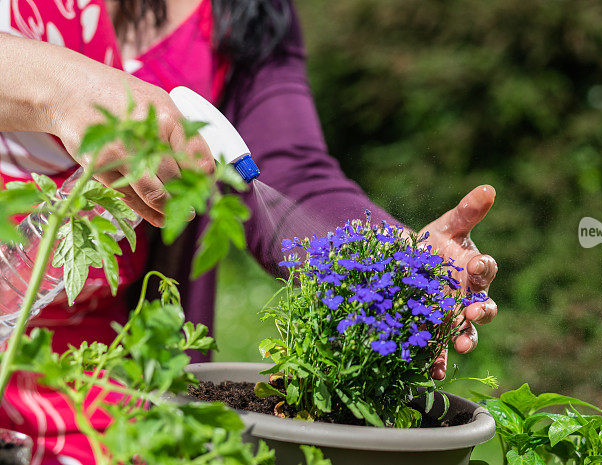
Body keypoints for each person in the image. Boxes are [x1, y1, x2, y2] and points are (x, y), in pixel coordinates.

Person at [0, 0, 497, 429]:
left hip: (96, 383)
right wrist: (54, 84)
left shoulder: (243, 12)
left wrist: (394, 264)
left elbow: (288, 172)